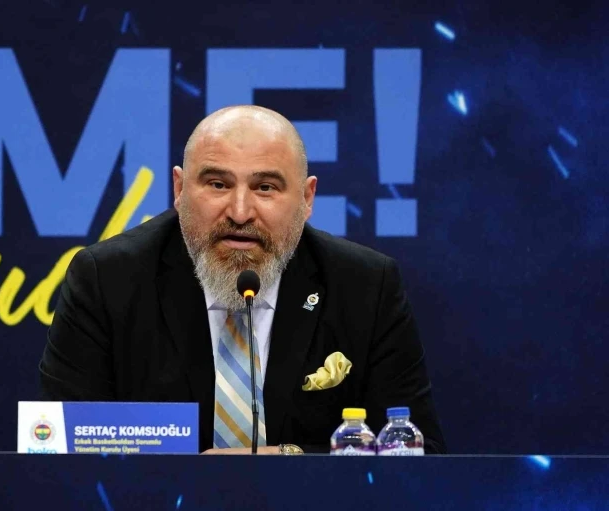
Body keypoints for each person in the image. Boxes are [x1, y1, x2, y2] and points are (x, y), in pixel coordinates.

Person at [39, 105, 446, 454]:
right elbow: (64, 454)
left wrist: (289, 461)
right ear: (179, 189)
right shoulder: (107, 280)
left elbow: (417, 454)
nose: (239, 212)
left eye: (265, 187)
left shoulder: (364, 287)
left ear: (307, 199)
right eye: (217, 184)